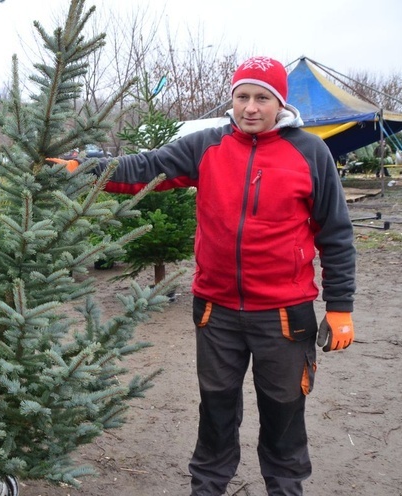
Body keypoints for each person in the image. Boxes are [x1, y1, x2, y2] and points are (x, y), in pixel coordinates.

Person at [51, 56, 356, 496]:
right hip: (217, 311)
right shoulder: (206, 146)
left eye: (261, 98)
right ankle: (207, 487)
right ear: (232, 100)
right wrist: (84, 171)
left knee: (284, 412)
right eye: (242, 97)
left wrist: (341, 307)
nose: (251, 107)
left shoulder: (310, 152)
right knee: (215, 409)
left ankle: (286, 488)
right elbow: (144, 168)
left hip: (285, 315)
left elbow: (337, 234)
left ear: (280, 103)